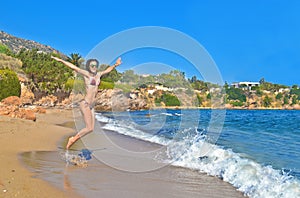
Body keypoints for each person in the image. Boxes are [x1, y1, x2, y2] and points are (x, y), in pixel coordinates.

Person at [51, 56, 122, 149]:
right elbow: (73, 67)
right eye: (92, 65)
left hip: (91, 105)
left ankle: (74, 139)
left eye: (95, 65)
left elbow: (108, 70)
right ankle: (72, 139)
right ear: (89, 66)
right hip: (85, 104)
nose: (94, 67)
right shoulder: (86, 74)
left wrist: (115, 65)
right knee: (88, 128)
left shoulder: (99, 75)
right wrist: (60, 60)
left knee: (91, 129)